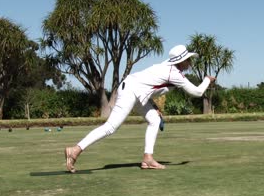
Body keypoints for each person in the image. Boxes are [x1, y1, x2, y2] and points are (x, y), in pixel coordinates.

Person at [64, 45, 216, 173]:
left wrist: (153, 106)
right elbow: (197, 92)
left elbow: (148, 86)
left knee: (155, 120)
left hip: (137, 92)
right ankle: (75, 150)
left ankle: (147, 159)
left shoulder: (169, 68)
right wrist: (207, 80)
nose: (190, 62)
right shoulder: (174, 73)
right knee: (110, 127)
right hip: (131, 91)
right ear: (182, 61)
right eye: (188, 59)